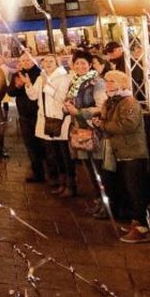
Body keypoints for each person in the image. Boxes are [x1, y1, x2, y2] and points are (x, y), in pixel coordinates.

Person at [90, 70, 150, 243]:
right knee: (126, 189)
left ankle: (142, 227)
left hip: (132, 153)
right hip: (119, 152)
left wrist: (103, 124)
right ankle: (135, 222)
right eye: (107, 81)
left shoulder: (129, 102)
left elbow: (127, 126)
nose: (108, 84)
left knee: (135, 190)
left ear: (122, 84)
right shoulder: (110, 102)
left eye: (112, 81)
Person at [63, 52, 107, 209]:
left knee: (99, 168)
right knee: (89, 169)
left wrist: (79, 112)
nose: (80, 66)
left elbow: (102, 107)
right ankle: (98, 200)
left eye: (83, 63)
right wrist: (66, 108)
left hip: (94, 131)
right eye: (77, 63)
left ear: (90, 65)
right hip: (79, 131)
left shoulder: (97, 82)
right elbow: (70, 103)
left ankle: (106, 203)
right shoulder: (75, 83)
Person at [29, 55, 76, 197]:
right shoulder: (41, 77)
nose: (48, 64)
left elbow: (62, 98)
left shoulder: (64, 78)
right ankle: (61, 183)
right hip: (46, 119)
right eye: (45, 61)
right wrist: (28, 85)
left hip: (60, 120)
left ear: (57, 63)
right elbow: (33, 96)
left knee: (65, 154)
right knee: (55, 154)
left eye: (51, 61)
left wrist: (47, 86)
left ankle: (71, 185)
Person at [8, 55, 45, 182]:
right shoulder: (17, 74)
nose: (25, 62)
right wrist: (18, 86)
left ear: (33, 60)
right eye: (23, 60)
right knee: (30, 145)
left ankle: (51, 173)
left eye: (28, 60)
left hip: (39, 115)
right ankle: (37, 173)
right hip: (24, 116)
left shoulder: (40, 74)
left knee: (44, 145)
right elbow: (10, 92)